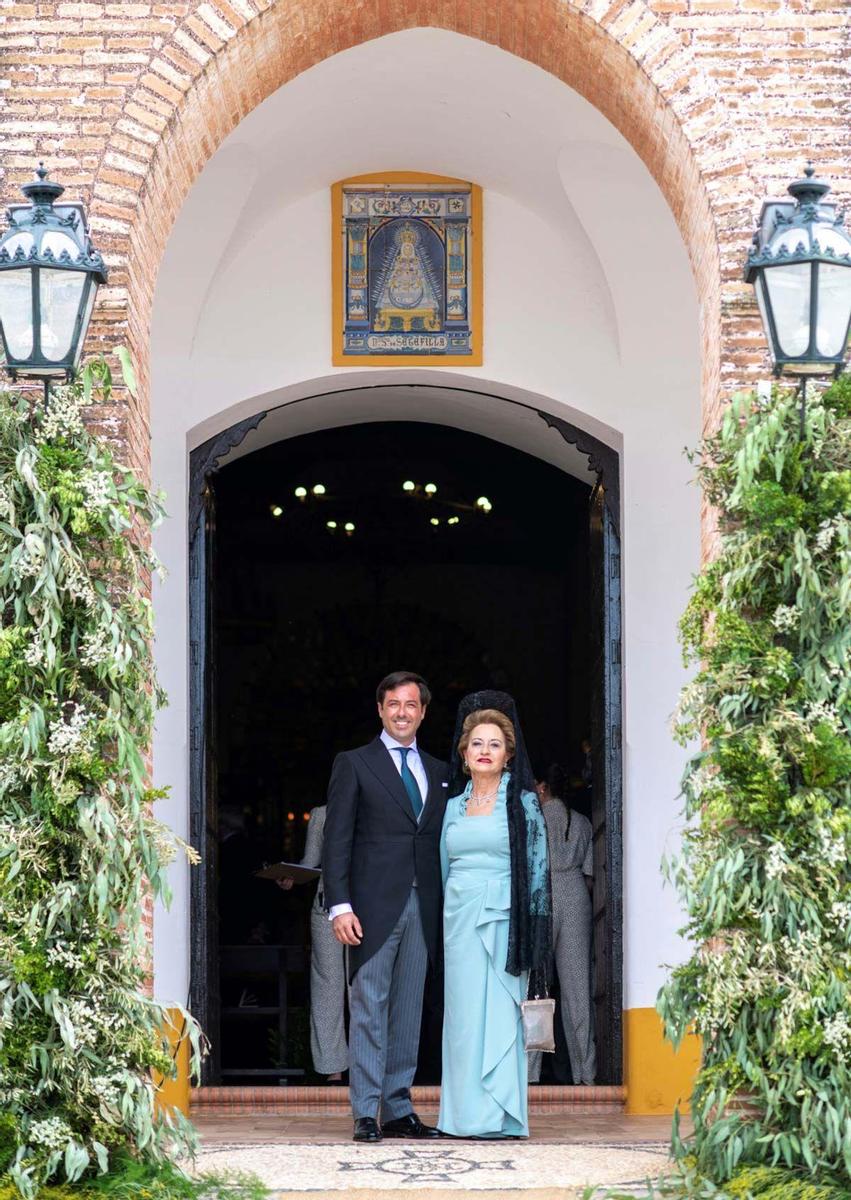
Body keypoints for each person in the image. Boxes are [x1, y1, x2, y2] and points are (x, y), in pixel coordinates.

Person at [323, 671, 449, 1143]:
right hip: (371, 907)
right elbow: (337, 841)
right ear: (380, 710)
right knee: (369, 1007)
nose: (402, 712)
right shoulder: (354, 763)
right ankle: (364, 1111)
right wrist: (339, 906)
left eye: (411, 705)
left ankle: (397, 1108)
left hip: (424, 905)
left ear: (423, 712)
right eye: (393, 704)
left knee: (408, 1009)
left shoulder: (439, 771)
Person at [438, 691, 550, 1139]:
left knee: (501, 1017)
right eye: (477, 744)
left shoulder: (523, 804)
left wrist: (536, 937)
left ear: (508, 755)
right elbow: (443, 870)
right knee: (464, 1021)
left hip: (507, 920)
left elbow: (539, 874)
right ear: (464, 755)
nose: (485, 751)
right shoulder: (450, 808)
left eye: (494, 744)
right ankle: (464, 1118)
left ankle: (502, 1116)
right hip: (459, 920)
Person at [529, 763, 596, 1085]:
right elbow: (590, 878)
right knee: (577, 991)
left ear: (542, 787)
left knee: (536, 990)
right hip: (576, 898)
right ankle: (587, 1073)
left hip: (542, 896)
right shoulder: (581, 822)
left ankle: (529, 1075)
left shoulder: (534, 820)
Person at [278, 805, 348, 1081]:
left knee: (364, 989)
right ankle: (333, 1071)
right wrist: (291, 876)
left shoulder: (378, 804)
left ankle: (371, 1070)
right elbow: (311, 861)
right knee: (328, 986)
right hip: (326, 907)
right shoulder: (321, 814)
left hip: (371, 910)